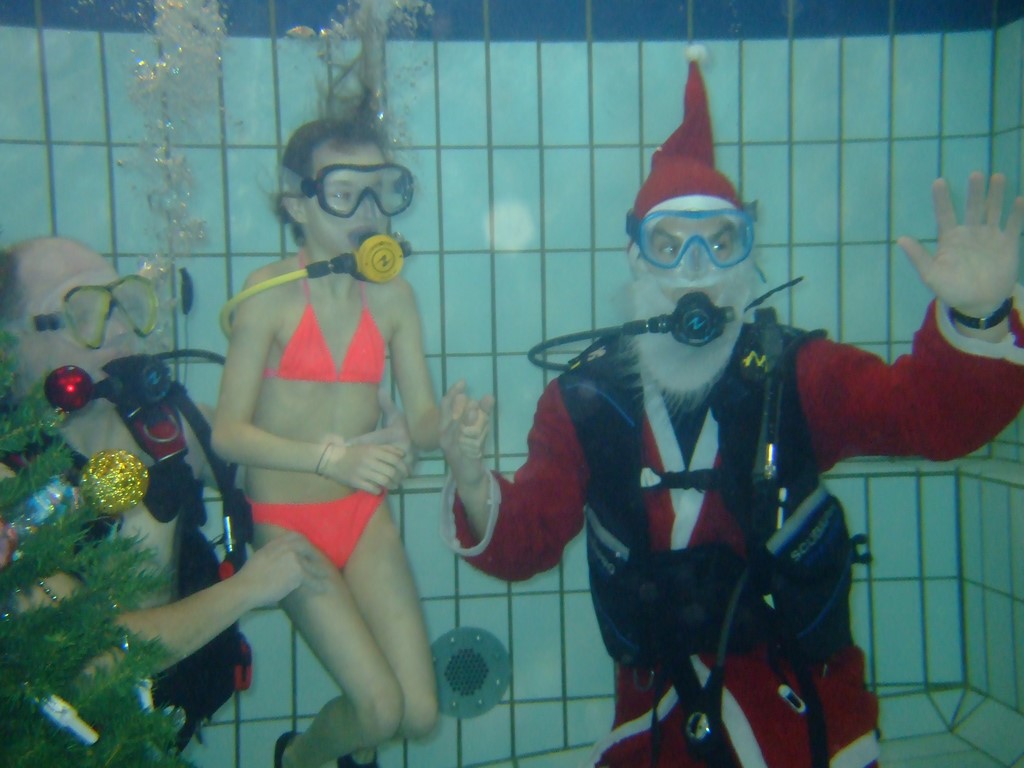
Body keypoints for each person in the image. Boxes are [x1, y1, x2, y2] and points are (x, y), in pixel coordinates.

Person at [437, 53, 1024, 768]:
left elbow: (930, 419)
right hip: (655, 713)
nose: (695, 268)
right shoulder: (585, 402)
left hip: (805, 700)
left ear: (747, 254)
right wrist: (474, 482)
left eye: (720, 242)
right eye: (668, 244)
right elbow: (526, 539)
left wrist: (978, 318)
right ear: (635, 256)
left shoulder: (798, 373)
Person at [0, 236, 327, 747]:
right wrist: (248, 588)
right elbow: (91, 660)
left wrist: (347, 439)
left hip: (170, 724)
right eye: (83, 311)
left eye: (121, 303)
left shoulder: (162, 425)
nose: (119, 328)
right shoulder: (9, 485)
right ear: (8, 348)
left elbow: (282, 469)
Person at [211, 115, 443, 768]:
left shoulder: (394, 297)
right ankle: (298, 760)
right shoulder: (268, 296)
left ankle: (345, 756)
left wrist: (451, 430)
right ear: (298, 205)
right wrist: (330, 458)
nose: (369, 211)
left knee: (419, 715)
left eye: (382, 190)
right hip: (285, 524)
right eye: (345, 193)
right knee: (379, 710)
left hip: (363, 517)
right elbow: (227, 435)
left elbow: (423, 420)